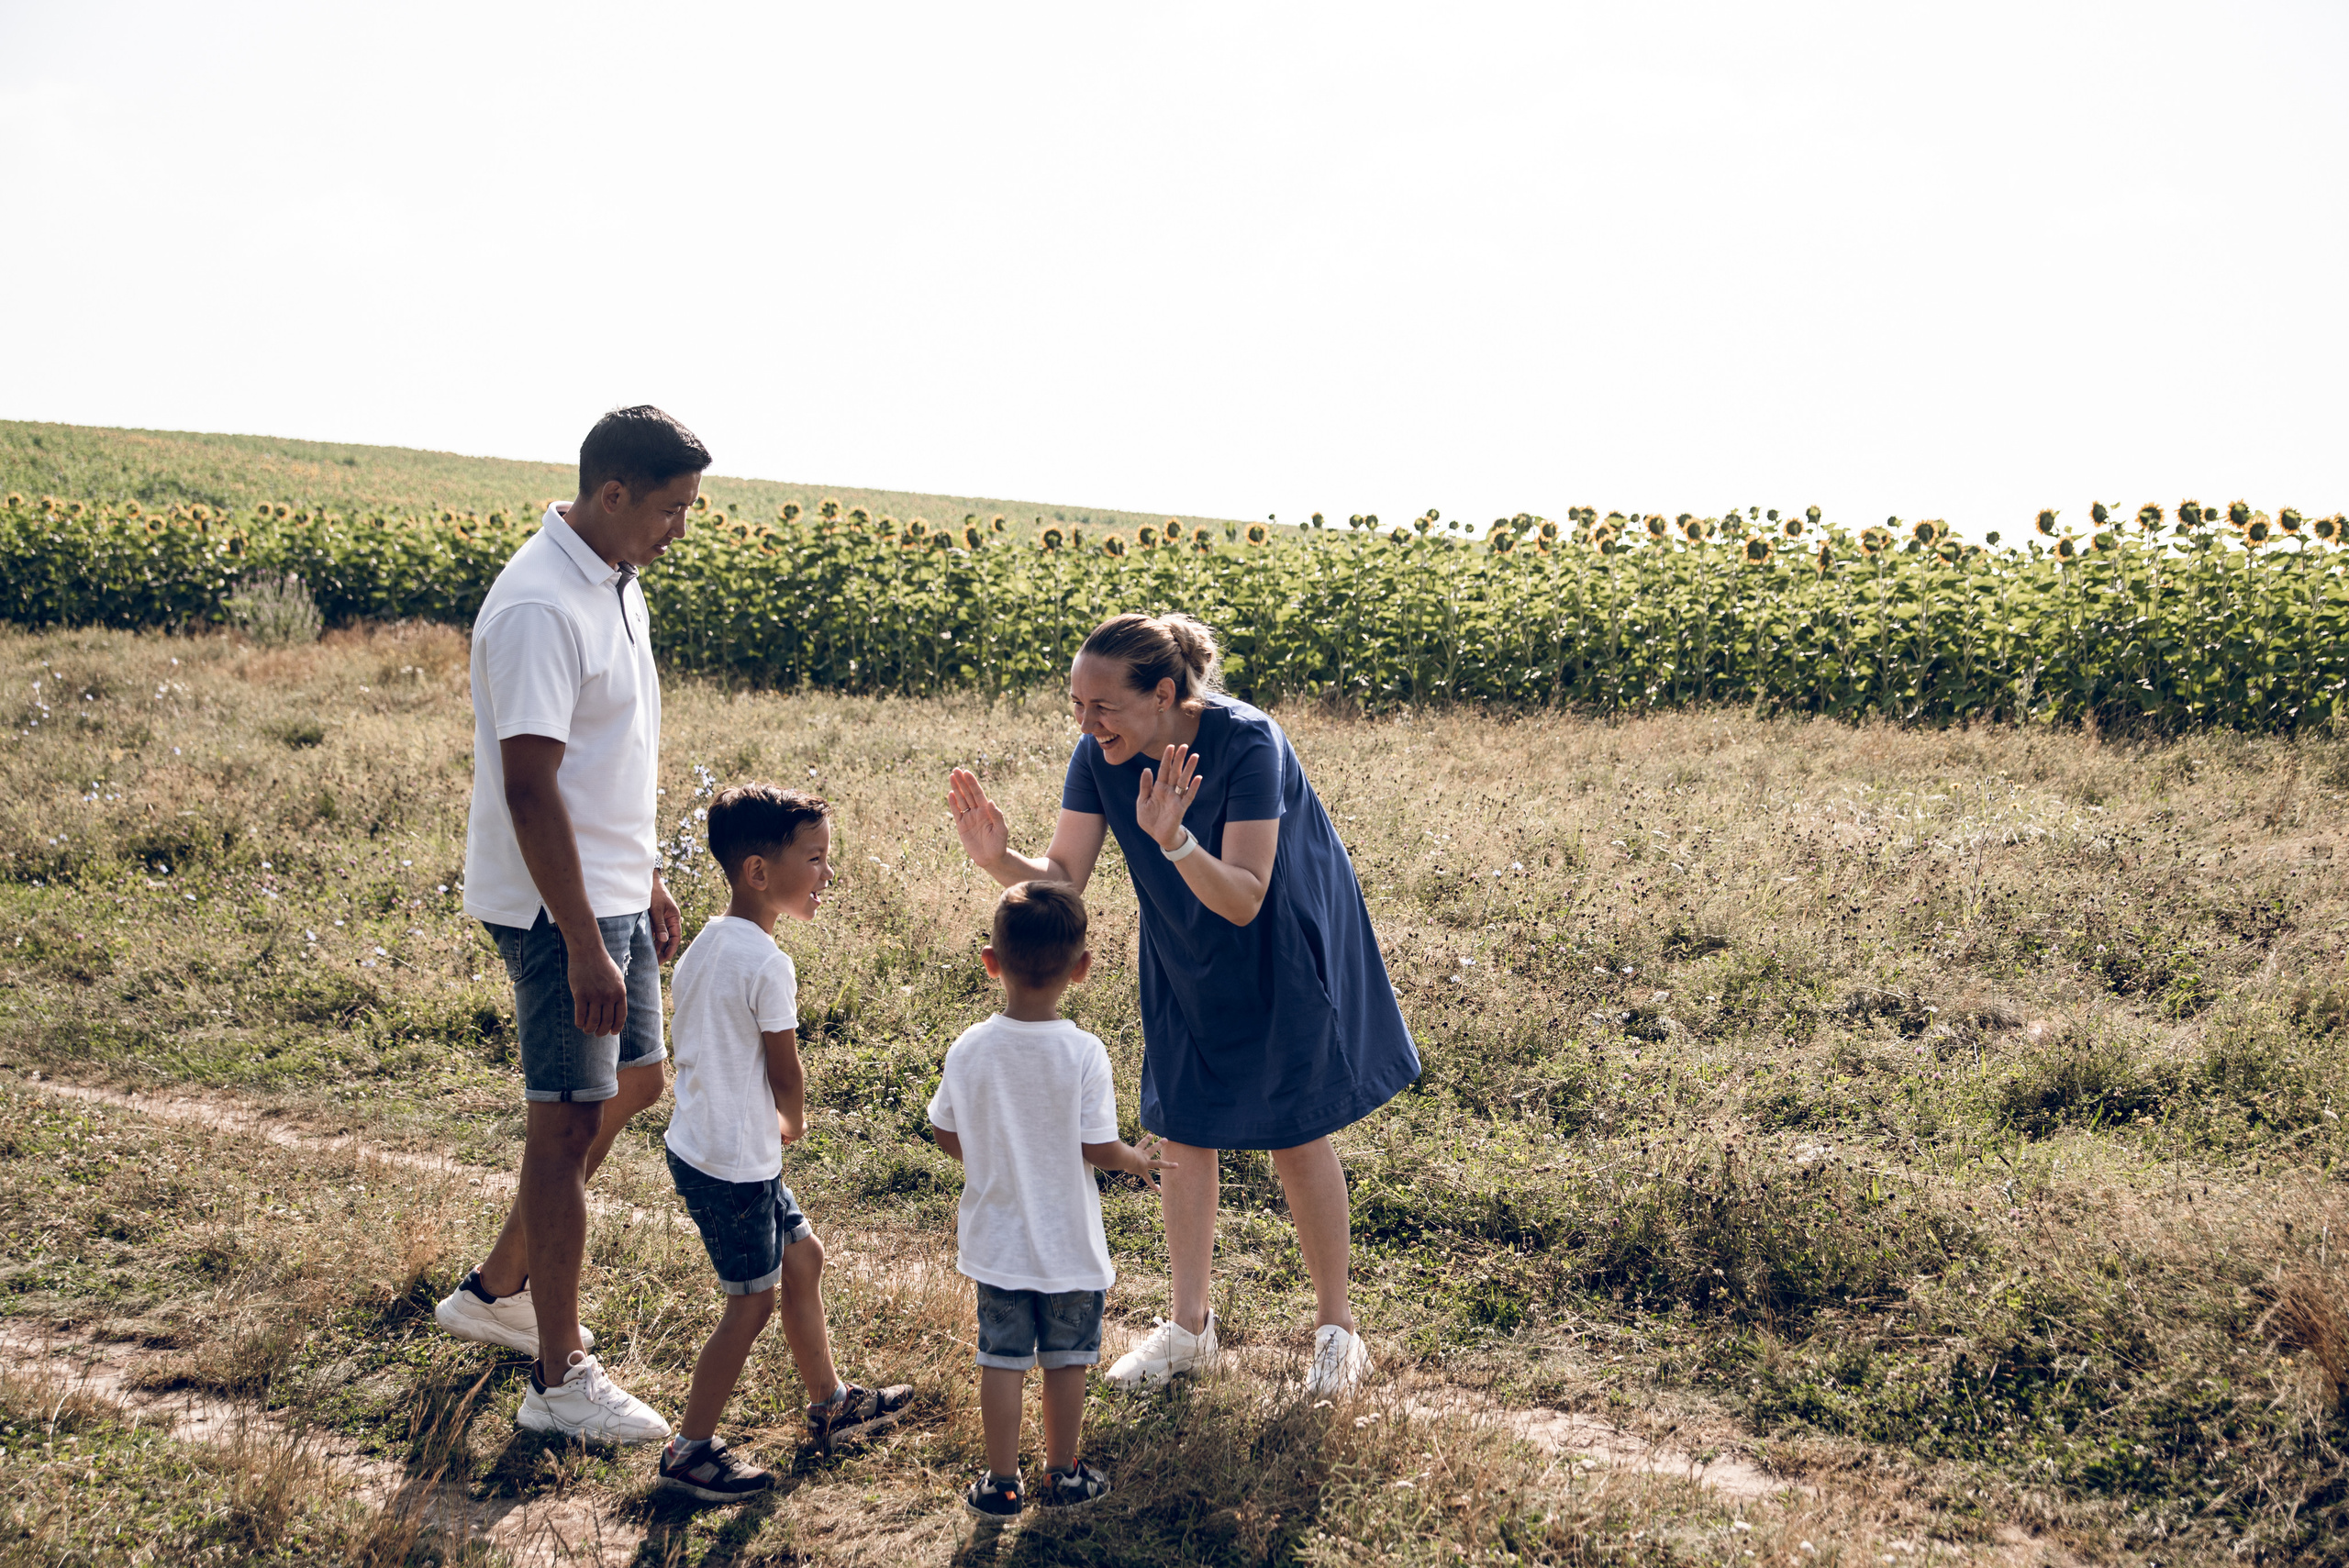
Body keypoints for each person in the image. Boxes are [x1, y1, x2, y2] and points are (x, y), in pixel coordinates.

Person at [945, 613, 1418, 1398]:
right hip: (1182, 948)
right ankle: (1190, 1329)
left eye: (1103, 707)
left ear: (1163, 695)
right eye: (1076, 706)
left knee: (1296, 1132)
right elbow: (1065, 878)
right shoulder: (1100, 755)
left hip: (1281, 944)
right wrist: (1000, 860)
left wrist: (1174, 841)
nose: (1087, 724)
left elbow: (1246, 895)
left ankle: (1338, 1333)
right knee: (1183, 1126)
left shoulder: (1250, 742)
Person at [433, 405, 705, 1442]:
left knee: (635, 1082)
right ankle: (557, 1377)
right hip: (559, 911)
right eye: (671, 508)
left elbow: (606, 759)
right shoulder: (541, 604)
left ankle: (497, 1289)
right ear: (613, 493)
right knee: (563, 1125)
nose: (680, 528)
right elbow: (532, 787)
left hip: (615, 887)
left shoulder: (616, 580)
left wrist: (647, 876)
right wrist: (584, 939)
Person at [656, 784, 911, 1500]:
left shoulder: (707, 942)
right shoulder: (768, 962)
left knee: (804, 1257)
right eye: (816, 858)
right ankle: (689, 1450)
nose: (828, 872)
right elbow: (784, 1067)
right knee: (751, 1303)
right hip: (735, 1162)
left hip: (712, 1142)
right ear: (759, 871)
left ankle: (831, 1403)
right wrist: (792, 1117)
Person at [927, 881, 1173, 1519]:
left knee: (1001, 1360)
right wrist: (1135, 1159)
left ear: (991, 961)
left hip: (997, 1245)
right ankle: (1062, 1474)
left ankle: (1001, 1483)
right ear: (1081, 968)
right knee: (1067, 1361)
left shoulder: (970, 1047)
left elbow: (945, 1130)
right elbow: (1097, 1146)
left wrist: (987, 1157)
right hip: (1068, 1247)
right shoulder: (1084, 1052)